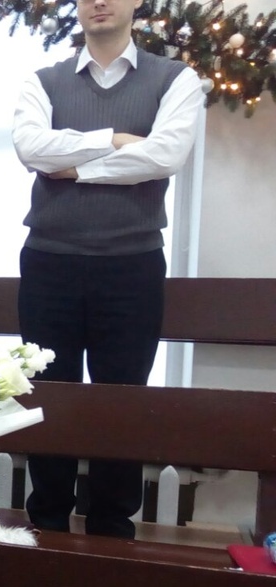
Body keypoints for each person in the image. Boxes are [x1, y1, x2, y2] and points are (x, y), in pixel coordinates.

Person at [12, 0, 203, 539]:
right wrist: (114, 141)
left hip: (131, 264)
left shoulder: (175, 79)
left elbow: (164, 157)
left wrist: (73, 166)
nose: (99, 2)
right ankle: (47, 525)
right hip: (49, 259)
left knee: (123, 396)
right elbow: (32, 148)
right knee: (50, 393)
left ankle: (113, 530)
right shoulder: (43, 81)